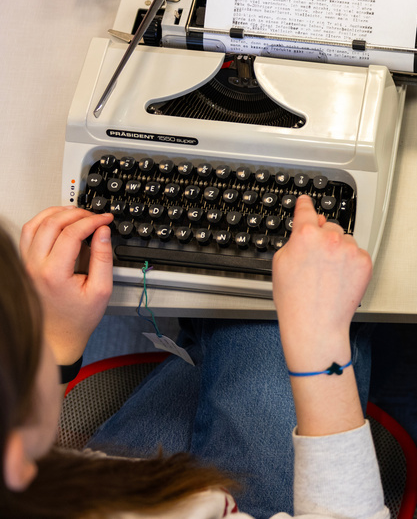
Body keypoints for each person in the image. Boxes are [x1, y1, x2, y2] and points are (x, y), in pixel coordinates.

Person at [1, 196, 389, 519]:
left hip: (106, 484)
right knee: (259, 324)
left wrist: (56, 346)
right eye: (26, 342)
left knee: (223, 335)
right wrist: (319, 340)